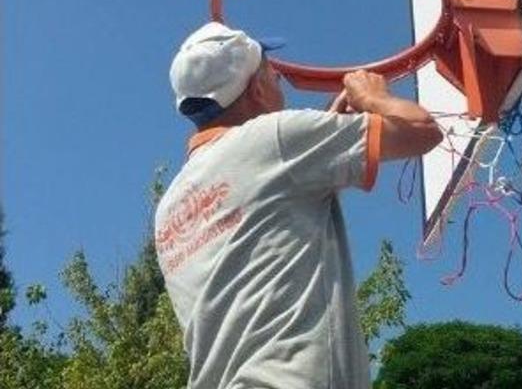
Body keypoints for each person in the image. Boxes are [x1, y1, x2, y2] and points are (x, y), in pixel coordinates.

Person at [154, 22, 442, 388]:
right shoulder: (275, 138)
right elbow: (422, 131)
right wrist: (374, 98)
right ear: (256, 89)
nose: (280, 83)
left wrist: (327, 134)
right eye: (273, 75)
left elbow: (272, 213)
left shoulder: (171, 206)